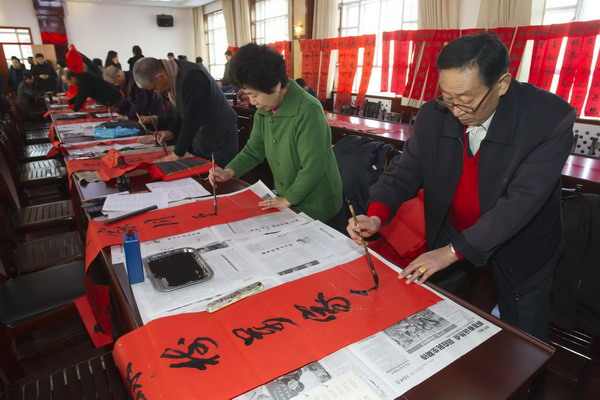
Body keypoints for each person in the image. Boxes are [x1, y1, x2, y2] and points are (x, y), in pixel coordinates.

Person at [347, 32, 575, 342]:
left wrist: (452, 252)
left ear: (502, 84)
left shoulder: (548, 120)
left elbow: (520, 203)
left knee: (524, 338)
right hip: (456, 227)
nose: (455, 110)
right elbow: (406, 170)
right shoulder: (434, 114)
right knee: (423, 303)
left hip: (522, 241)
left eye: (466, 99)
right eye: (447, 97)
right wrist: (376, 214)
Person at [209, 43, 342, 224]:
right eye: (248, 95)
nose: (252, 101)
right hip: (287, 198)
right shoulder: (265, 109)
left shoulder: (308, 110)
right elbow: (254, 150)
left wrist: (288, 199)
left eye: (254, 95)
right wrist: (229, 171)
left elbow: (313, 166)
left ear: (276, 85)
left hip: (316, 204)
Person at [133, 57, 238, 166]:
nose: (157, 92)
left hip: (220, 137)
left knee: (219, 177)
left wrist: (177, 153)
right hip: (202, 136)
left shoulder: (192, 76)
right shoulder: (176, 74)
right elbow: (183, 111)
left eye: (154, 88)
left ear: (160, 77)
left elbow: (192, 118)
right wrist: (171, 132)